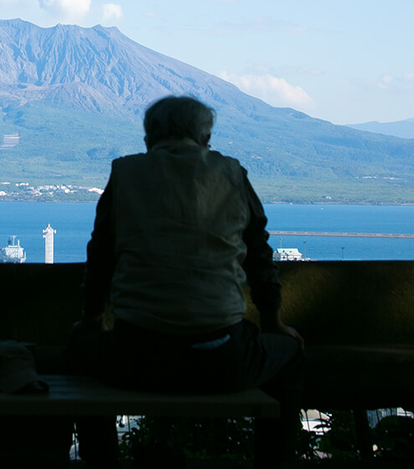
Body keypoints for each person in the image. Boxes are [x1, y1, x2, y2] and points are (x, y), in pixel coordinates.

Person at [77, 95, 304, 467]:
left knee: (77, 354)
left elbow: (100, 256)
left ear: (150, 136)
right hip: (223, 358)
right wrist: (273, 321)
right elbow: (260, 255)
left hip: (136, 357)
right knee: (291, 357)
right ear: (204, 136)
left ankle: (100, 461)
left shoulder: (126, 174)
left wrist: (92, 318)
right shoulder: (232, 174)